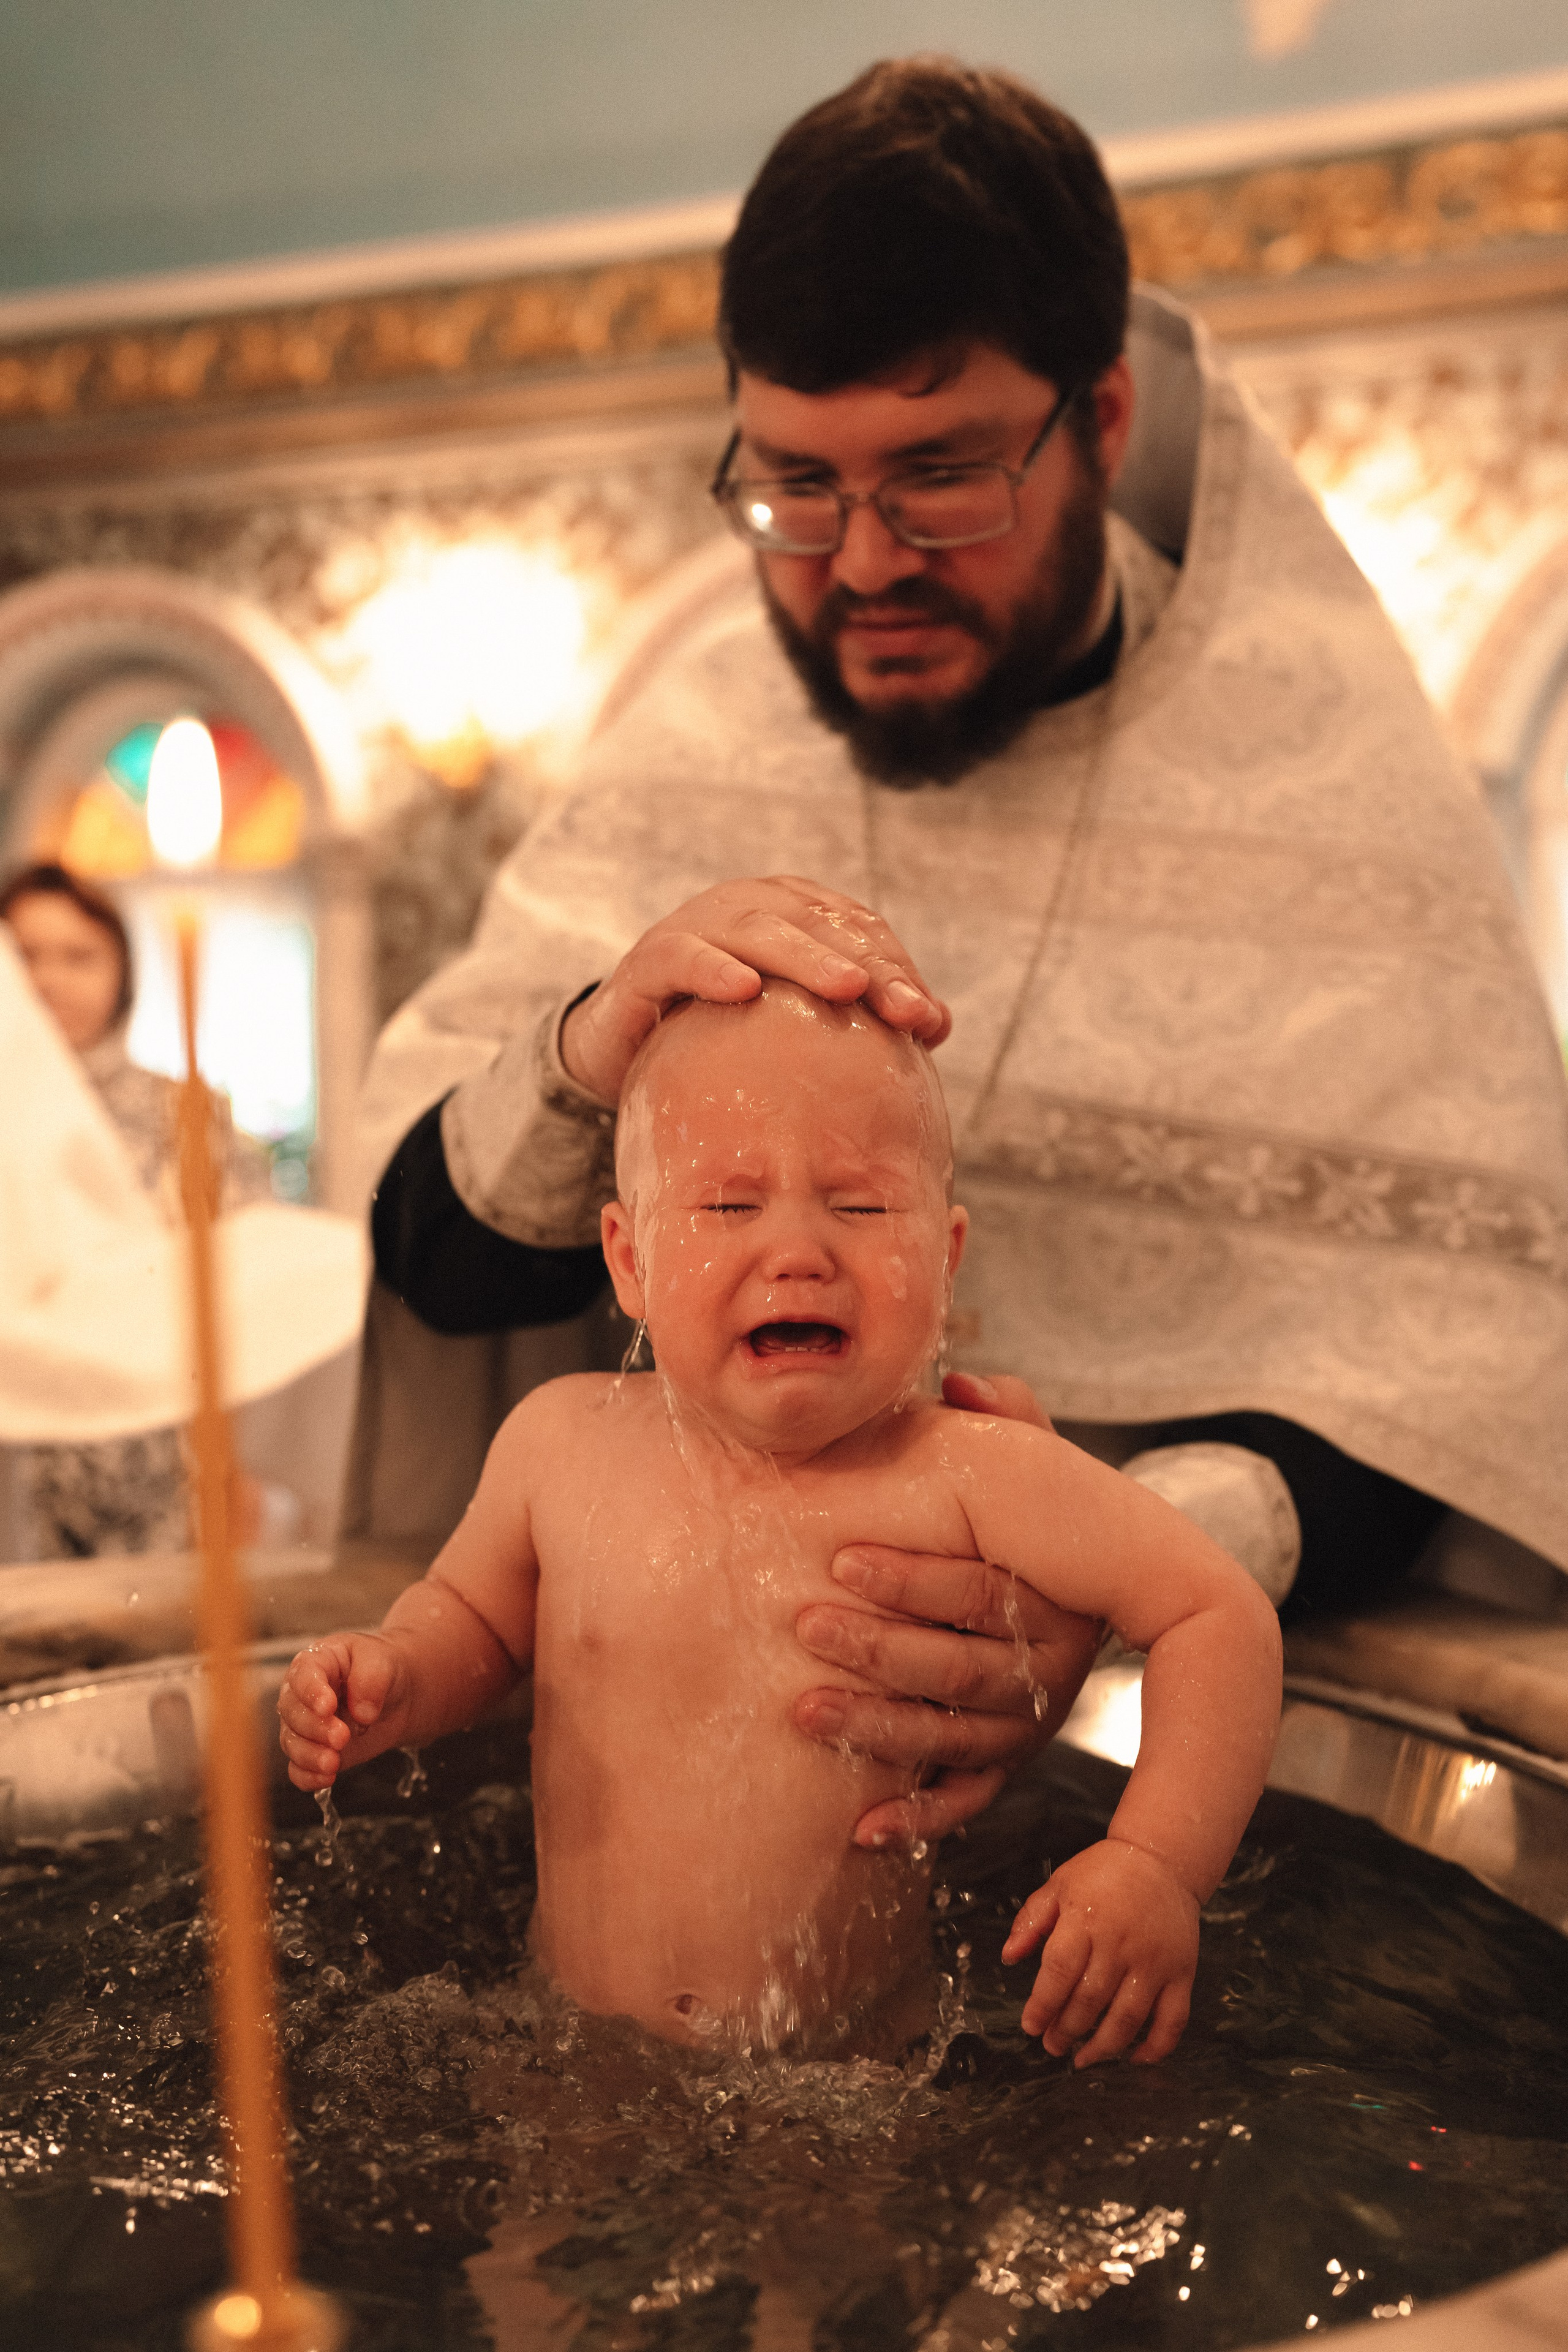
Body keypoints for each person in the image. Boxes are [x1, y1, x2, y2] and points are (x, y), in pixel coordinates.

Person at [353, 60, 1568, 1829]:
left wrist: (1109, 1559)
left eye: (940, 482)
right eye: (795, 489)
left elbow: (1446, 1385)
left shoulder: (1331, 774)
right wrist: (584, 1047)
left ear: (1102, 418)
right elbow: (437, 1265)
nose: (860, 566)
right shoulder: (695, 746)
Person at [284, 987, 1281, 2059]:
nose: (800, 1250)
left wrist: (1156, 1865)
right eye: (727, 1207)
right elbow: (474, 1625)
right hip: (574, 2051)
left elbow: (1216, 1611)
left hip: (851, 2074)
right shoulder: (559, 1443)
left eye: (859, 1207)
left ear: (944, 1260)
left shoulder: (976, 1474)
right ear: (631, 1261)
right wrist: (394, 1676)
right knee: (536, 2231)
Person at [0, 861, 270, 1555]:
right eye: (25, 955)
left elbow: (240, 1292)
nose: (48, 980)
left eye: (79, 956)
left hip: (155, 1451)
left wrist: (243, 1463)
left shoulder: (183, 1112)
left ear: (123, 972)